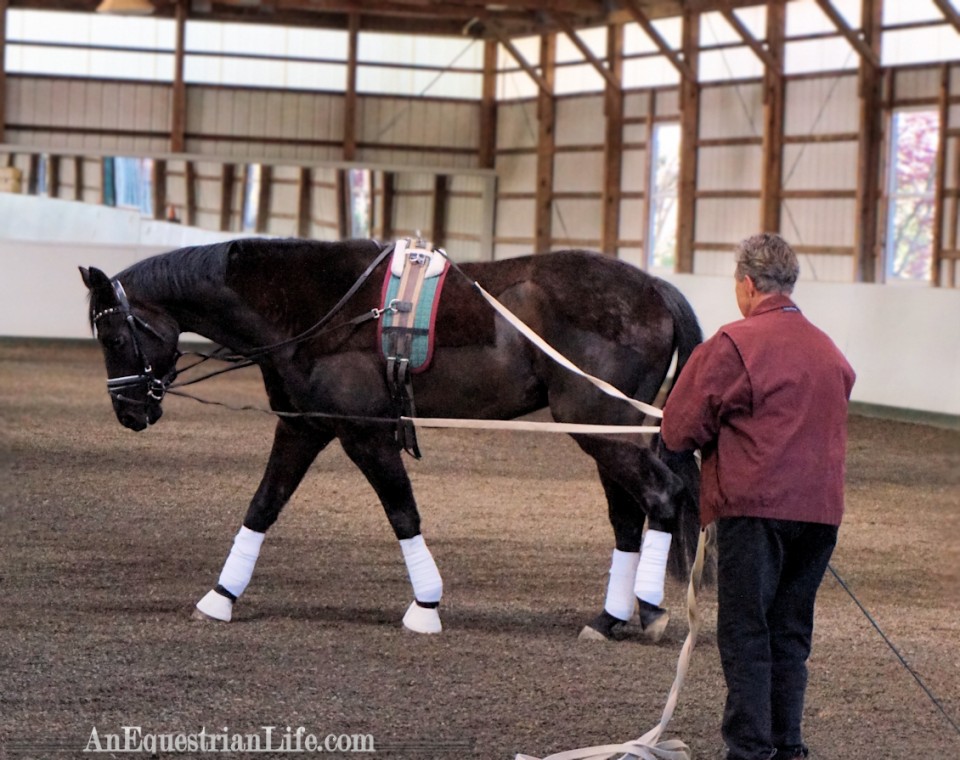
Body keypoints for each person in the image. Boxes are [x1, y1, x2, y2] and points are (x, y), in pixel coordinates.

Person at [660, 233, 856, 760]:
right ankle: (786, 745)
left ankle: (750, 749)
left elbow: (677, 431)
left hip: (755, 512)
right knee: (790, 632)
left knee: (746, 631)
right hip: (819, 514)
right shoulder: (828, 350)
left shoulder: (733, 344)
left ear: (747, 285)